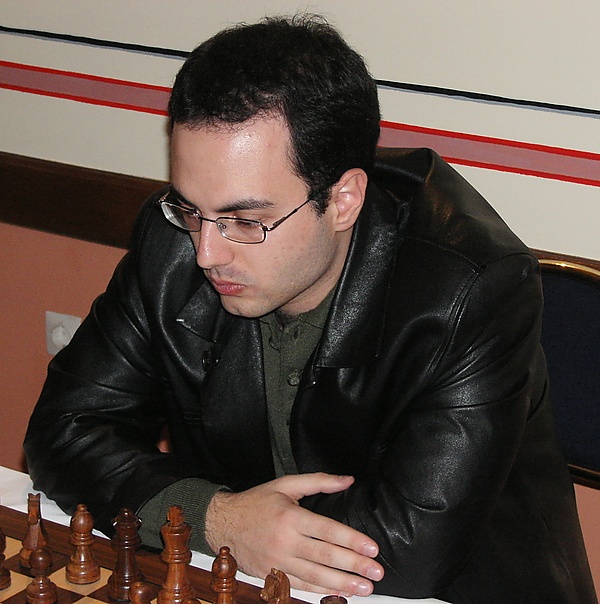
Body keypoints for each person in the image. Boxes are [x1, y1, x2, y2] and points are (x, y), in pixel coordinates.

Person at [24, 15, 597, 604]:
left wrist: (245, 528)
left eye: (246, 220)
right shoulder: (169, 242)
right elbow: (62, 431)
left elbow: (411, 548)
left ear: (343, 199)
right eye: (191, 209)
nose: (205, 252)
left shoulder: (472, 289)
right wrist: (219, 518)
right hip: (248, 583)